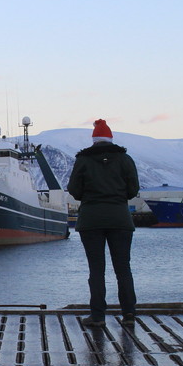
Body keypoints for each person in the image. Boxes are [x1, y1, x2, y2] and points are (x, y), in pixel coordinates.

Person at [66, 119, 140, 327]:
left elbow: (74, 189)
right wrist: (117, 197)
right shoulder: (125, 160)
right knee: (123, 268)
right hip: (120, 218)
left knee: (96, 269)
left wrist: (90, 197)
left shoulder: (83, 160)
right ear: (110, 138)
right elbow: (133, 189)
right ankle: (129, 314)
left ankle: (98, 315)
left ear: (94, 140)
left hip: (91, 219)